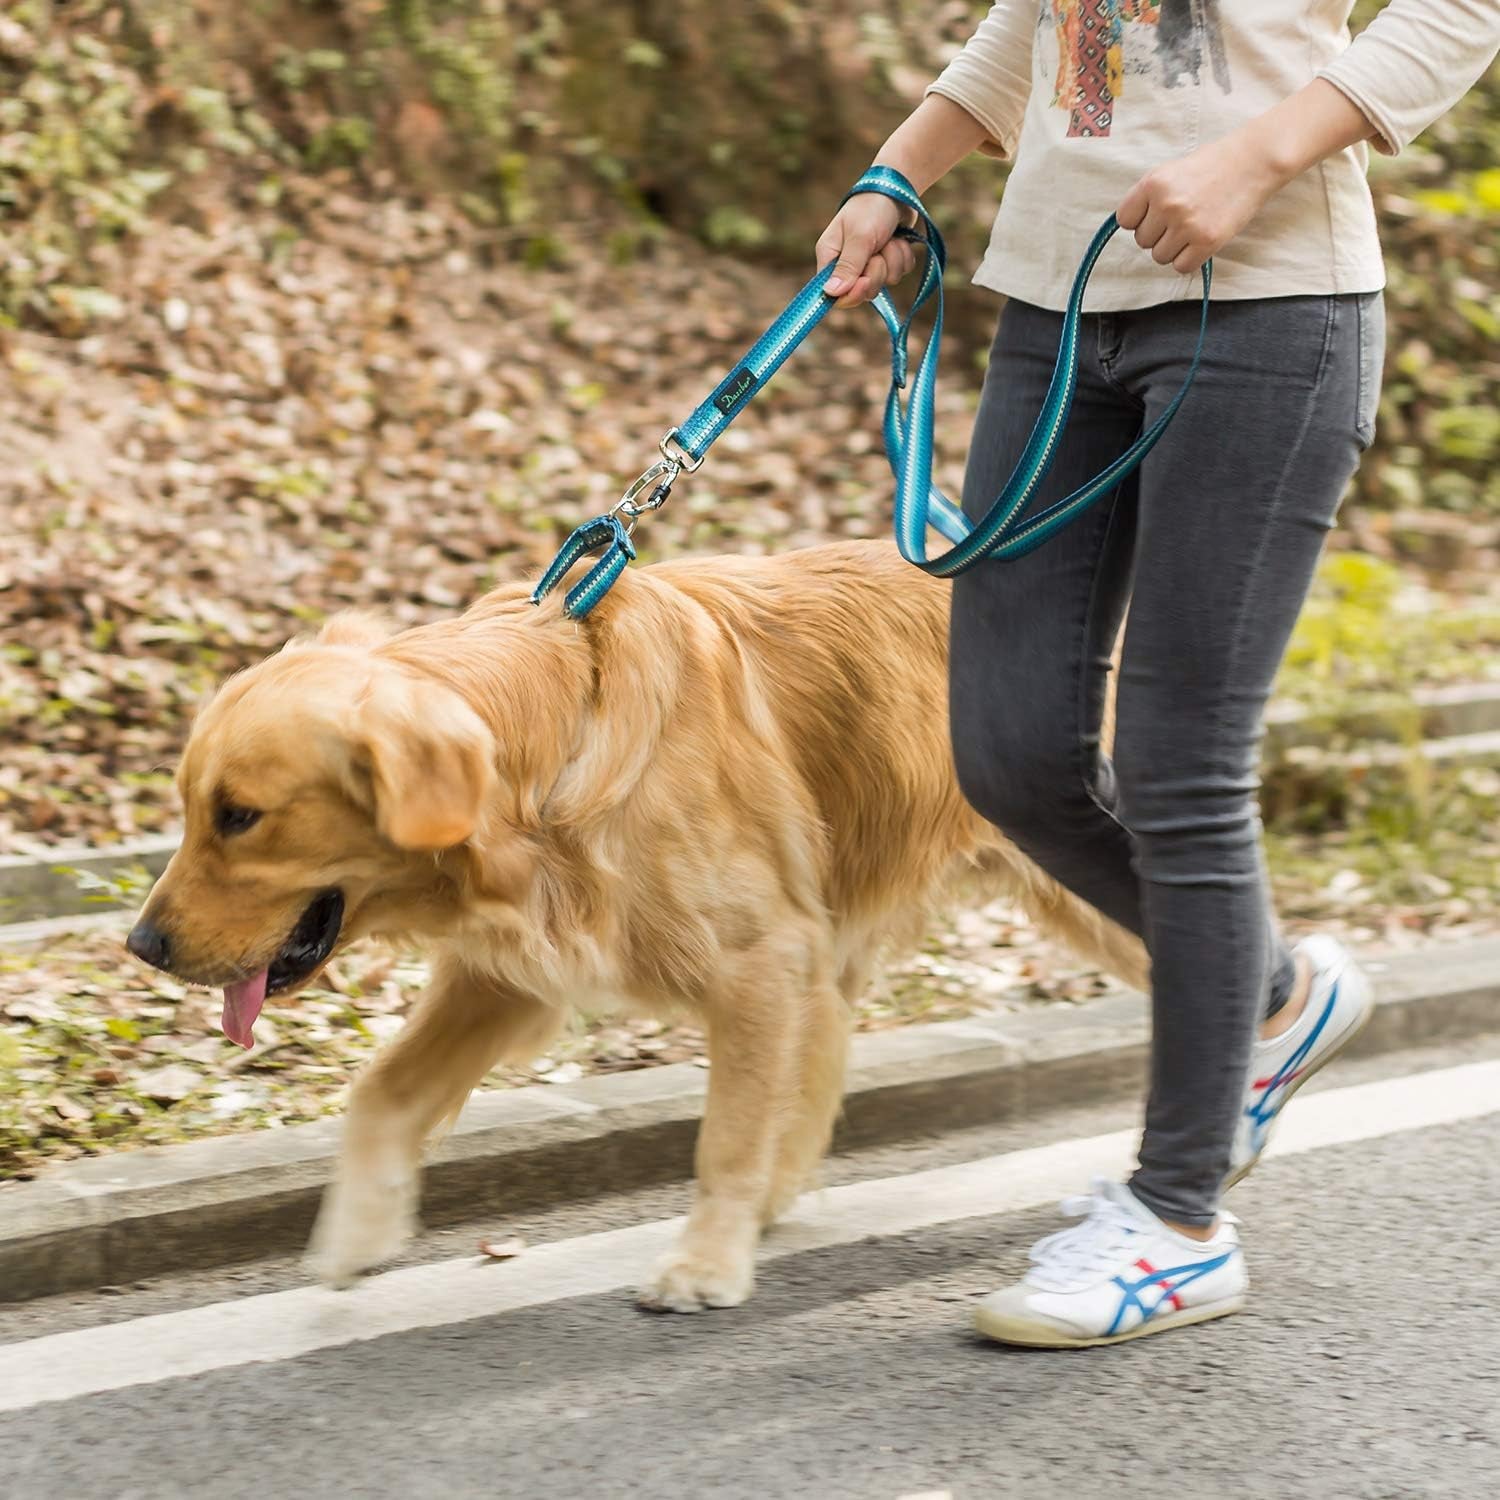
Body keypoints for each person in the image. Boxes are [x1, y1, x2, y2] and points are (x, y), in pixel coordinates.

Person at [815, 1, 1500, 1348]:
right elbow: (1044, 21)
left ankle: (1179, 1224)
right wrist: (899, 171)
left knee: (1183, 766)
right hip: (1060, 307)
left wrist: (1253, 157)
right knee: (1008, 751)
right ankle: (1271, 994)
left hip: (1269, 310)